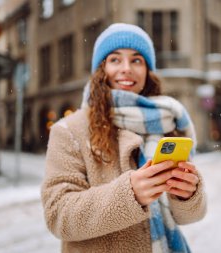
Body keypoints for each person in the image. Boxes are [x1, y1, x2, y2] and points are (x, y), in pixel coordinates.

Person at [41, 23, 207, 253]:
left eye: (137, 60)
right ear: (101, 69)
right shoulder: (69, 129)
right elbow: (58, 215)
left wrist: (188, 195)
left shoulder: (166, 121)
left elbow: (189, 216)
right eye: (115, 60)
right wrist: (129, 194)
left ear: (148, 71)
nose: (126, 68)